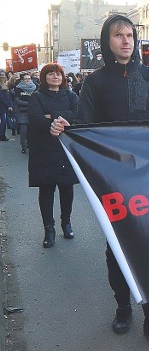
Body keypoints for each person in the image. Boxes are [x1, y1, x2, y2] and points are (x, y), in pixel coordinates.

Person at [50, 14, 149, 346]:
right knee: (117, 246)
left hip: (147, 177)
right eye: (118, 35)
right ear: (108, 40)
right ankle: (123, 307)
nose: (125, 40)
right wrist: (63, 128)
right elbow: (82, 127)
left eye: (130, 35)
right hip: (111, 180)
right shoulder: (95, 83)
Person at [28, 63, 79, 248]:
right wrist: (55, 122)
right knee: (47, 190)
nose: (55, 77)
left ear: (63, 77)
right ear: (44, 77)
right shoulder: (37, 96)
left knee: (67, 188)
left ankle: (66, 222)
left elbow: (78, 115)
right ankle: (49, 229)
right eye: (51, 74)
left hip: (66, 150)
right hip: (44, 150)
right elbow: (35, 118)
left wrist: (53, 117)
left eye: (58, 74)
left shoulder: (71, 96)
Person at [13, 73, 37, 153]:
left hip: (33, 111)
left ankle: (30, 144)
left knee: (32, 130)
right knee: (23, 131)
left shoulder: (35, 87)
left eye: (29, 78)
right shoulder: (18, 88)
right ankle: (23, 147)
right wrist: (28, 103)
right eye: (26, 79)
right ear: (22, 80)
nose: (28, 80)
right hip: (22, 111)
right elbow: (17, 100)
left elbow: (37, 99)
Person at [0, 70, 13, 141]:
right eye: (1, 75)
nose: (2, 77)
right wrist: (8, 105)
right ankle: (2, 135)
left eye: (3, 75)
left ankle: (2, 135)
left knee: (4, 121)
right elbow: (1, 98)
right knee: (3, 121)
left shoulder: (6, 85)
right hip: (2, 106)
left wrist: (10, 105)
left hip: (5, 106)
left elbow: (9, 97)